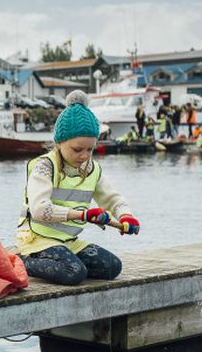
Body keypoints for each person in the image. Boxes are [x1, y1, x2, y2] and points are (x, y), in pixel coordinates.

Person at [16, 91, 139, 286]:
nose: (84, 156)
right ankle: (18, 260)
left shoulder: (92, 169)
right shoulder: (44, 166)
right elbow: (39, 210)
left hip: (68, 241)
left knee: (112, 267)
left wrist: (126, 215)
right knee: (74, 272)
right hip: (37, 240)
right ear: (59, 143)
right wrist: (82, 215)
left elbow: (113, 199)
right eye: (77, 149)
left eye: (90, 149)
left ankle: (64, 259)